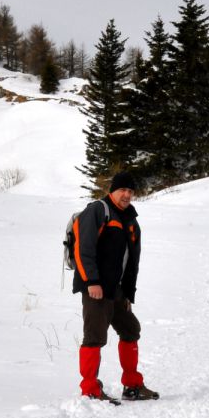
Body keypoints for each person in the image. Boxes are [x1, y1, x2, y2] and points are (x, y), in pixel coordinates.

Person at [72, 170, 159, 403]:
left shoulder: (130, 220)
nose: (127, 195)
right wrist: (91, 281)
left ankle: (132, 385)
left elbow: (132, 261)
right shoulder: (98, 211)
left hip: (118, 290)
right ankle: (90, 389)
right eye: (123, 190)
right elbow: (83, 249)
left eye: (131, 191)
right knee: (94, 336)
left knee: (131, 330)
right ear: (113, 191)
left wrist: (128, 292)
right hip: (96, 288)